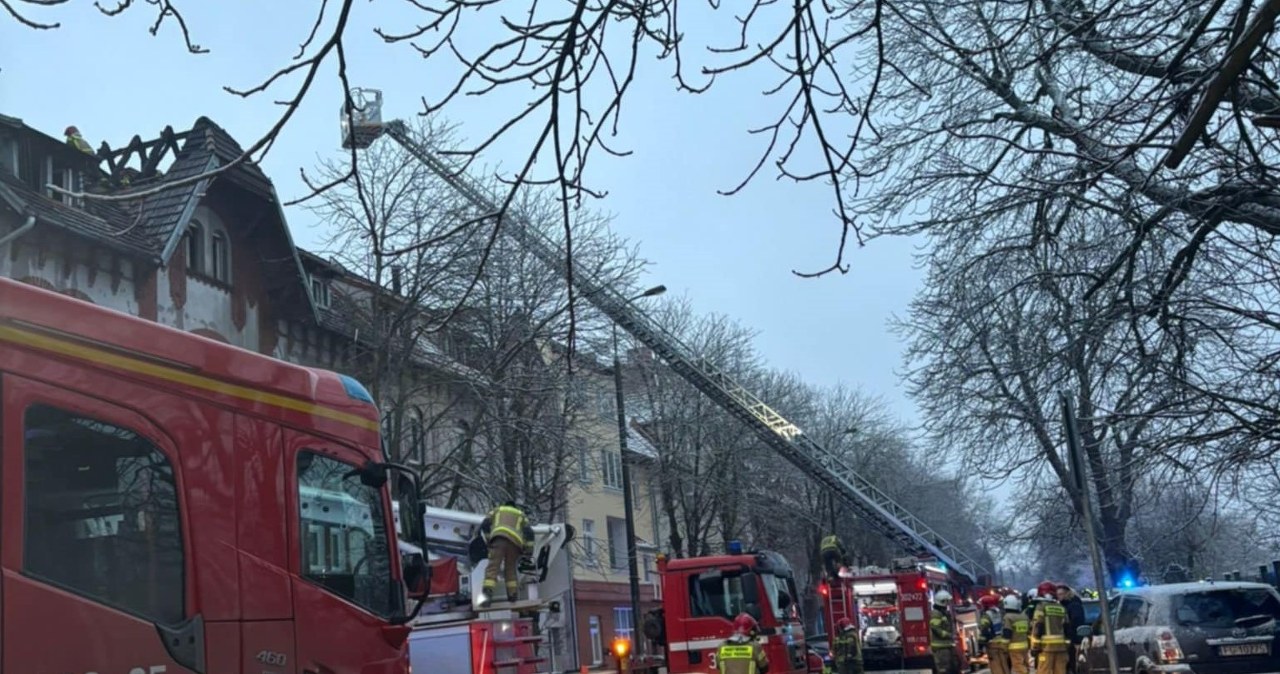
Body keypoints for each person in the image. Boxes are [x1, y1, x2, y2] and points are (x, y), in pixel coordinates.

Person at [478, 499, 534, 606]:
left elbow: (485, 524)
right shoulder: (521, 515)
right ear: (514, 507)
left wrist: (489, 539)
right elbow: (529, 533)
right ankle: (512, 595)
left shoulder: (496, 510)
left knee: (493, 567)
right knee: (510, 569)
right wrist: (529, 551)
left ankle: (487, 596)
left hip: (499, 539)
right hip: (515, 544)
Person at [1030, 581, 1069, 674]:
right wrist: (1067, 645)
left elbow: (1038, 626)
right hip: (1061, 648)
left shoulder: (1041, 607)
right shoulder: (1061, 607)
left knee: (1043, 671)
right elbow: (1067, 627)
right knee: (1061, 671)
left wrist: (1035, 647)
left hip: (1046, 648)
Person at [1056, 584, 1086, 673]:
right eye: (1058, 594)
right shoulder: (1064, 605)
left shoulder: (1073, 605)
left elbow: (1077, 623)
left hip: (1073, 640)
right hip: (1067, 640)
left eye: (1061, 594)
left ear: (1067, 594)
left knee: (1073, 664)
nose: (1059, 596)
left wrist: (1077, 641)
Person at [930, 590, 958, 674]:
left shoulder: (943, 613)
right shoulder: (936, 614)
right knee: (944, 670)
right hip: (940, 648)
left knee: (952, 668)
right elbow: (935, 628)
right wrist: (949, 635)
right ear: (942, 601)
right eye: (947, 601)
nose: (948, 603)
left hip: (947, 646)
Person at [1001, 594, 1030, 674]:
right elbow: (1029, 630)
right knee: (1025, 664)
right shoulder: (1024, 616)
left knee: (1018, 667)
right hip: (1025, 646)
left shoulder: (1008, 617)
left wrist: (1003, 647)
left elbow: (1007, 633)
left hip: (1014, 647)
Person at [978, 595, 1007, 674]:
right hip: (1003, 642)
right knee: (1004, 666)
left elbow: (984, 630)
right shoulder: (999, 613)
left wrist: (980, 645)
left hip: (992, 644)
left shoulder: (986, 615)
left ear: (985, 605)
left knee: (996, 666)